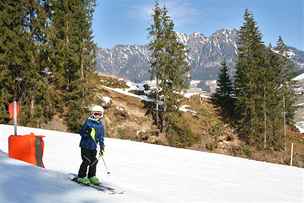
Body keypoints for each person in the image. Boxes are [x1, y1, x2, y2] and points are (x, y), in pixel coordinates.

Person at [77, 105, 105, 185]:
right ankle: (81, 176)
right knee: (86, 161)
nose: (98, 116)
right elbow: (81, 132)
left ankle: (91, 176)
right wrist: (87, 132)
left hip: (93, 147)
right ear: (92, 114)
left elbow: (101, 137)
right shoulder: (88, 122)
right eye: (96, 114)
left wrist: (102, 146)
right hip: (85, 146)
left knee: (94, 161)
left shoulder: (100, 125)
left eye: (100, 114)